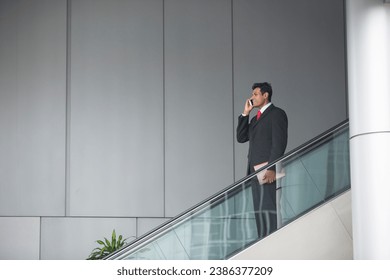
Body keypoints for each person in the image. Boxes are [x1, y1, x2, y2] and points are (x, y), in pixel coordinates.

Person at [236, 82, 288, 238]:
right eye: (252, 94)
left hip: (267, 171)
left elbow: (279, 142)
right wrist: (245, 114)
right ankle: (263, 241)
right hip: (254, 172)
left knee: (268, 208)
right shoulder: (255, 119)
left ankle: (270, 241)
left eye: (255, 94)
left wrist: (272, 167)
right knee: (259, 210)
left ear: (265, 95)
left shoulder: (277, 113)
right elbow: (241, 137)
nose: (252, 97)